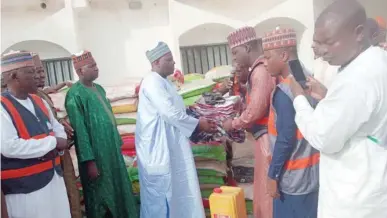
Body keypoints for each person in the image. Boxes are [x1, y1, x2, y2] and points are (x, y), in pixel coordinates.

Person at [287, 1, 387, 217]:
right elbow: (359, 115)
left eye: (328, 43)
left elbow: (323, 136)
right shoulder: (376, 61)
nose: (321, 51)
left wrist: (298, 100)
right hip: (370, 187)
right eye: (317, 43)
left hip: (353, 198)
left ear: (358, 33)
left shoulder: (358, 78)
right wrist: (328, 96)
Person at [135, 42, 216, 218]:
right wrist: (198, 124)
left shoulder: (164, 82)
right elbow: (170, 113)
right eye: (169, 59)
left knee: (178, 194)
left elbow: (177, 110)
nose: (173, 63)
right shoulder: (152, 82)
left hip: (171, 146)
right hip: (158, 150)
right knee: (161, 198)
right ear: (156, 62)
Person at [65, 51, 138, 218]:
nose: (97, 69)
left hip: (111, 151)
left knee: (119, 192)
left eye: (96, 65)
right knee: (101, 199)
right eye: (92, 66)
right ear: (80, 71)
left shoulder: (99, 89)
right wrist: (89, 161)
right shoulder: (74, 95)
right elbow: (80, 131)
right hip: (96, 157)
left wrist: (116, 144)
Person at [1, 51, 71, 218]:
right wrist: (53, 142)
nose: (37, 76)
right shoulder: (2, 107)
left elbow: (56, 127)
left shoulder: (39, 101)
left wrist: (59, 140)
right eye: (30, 72)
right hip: (25, 189)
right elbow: (9, 146)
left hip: (53, 179)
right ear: (14, 76)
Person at [262, 27, 319, 218]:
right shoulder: (309, 78)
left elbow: (285, 138)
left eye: (268, 57)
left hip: (292, 179)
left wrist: (272, 175)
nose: (265, 62)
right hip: (313, 174)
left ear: (284, 55)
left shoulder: (285, 90)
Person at [223, 26, 275, 218]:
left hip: (268, 139)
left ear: (246, 48)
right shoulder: (256, 71)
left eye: (235, 52)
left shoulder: (260, 71)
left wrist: (233, 123)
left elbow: (255, 110)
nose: (234, 58)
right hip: (263, 138)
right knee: (262, 188)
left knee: (267, 191)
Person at [32, 52, 82, 218]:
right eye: (35, 72)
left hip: (61, 152)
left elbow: (48, 96)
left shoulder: (41, 94)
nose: (40, 75)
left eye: (42, 71)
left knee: (70, 191)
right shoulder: (25, 100)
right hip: (48, 156)